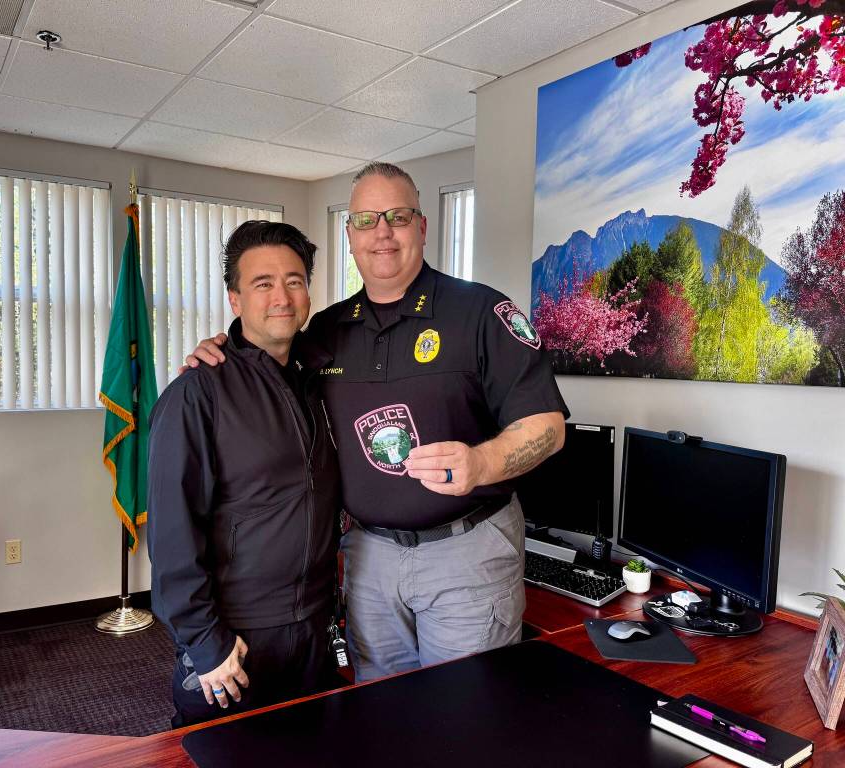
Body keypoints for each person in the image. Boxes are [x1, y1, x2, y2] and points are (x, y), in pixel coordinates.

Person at [186, 162, 569, 681]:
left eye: (398, 216)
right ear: (350, 236)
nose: (382, 232)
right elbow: (264, 351)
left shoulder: (481, 312)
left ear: (422, 226)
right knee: (378, 708)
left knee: (464, 712)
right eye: (366, 220)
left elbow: (548, 426)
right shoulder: (325, 331)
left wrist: (483, 462)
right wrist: (221, 350)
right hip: (367, 559)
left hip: (466, 551)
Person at [147, 221, 341, 728]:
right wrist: (204, 642)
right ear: (235, 299)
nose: (282, 297)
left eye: (294, 281)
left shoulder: (322, 380)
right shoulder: (196, 394)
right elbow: (172, 534)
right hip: (236, 640)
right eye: (263, 283)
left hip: (314, 630)